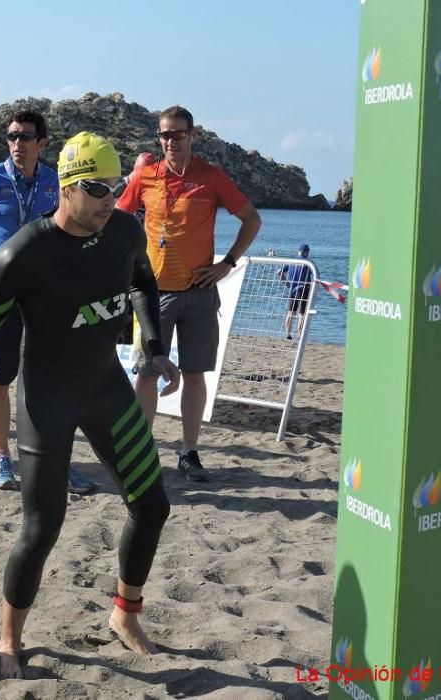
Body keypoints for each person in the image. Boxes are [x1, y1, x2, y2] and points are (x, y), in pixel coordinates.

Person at [0, 132, 181, 679]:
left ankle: (124, 616)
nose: (112, 199)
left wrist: (152, 349)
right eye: (99, 188)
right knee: (44, 524)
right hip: (47, 397)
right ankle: (9, 637)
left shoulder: (124, 230)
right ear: (67, 187)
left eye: (118, 186)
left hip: (105, 387)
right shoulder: (20, 255)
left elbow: (144, 286)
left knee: (152, 506)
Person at [0, 110, 95, 493]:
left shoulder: (55, 181)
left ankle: (56, 461)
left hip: (47, 295)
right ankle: (1, 458)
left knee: (51, 381)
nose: (17, 144)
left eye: (26, 137)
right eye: (12, 136)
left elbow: (74, 232)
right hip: (1, 292)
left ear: (42, 143)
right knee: (0, 378)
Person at [117, 105, 261, 482]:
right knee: (147, 374)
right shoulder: (145, 176)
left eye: (177, 135)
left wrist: (227, 264)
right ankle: (142, 450)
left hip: (199, 292)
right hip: (152, 294)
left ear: (192, 136)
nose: (170, 142)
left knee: (196, 375)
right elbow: (116, 220)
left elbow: (251, 219)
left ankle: (189, 452)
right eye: (164, 135)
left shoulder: (211, 178)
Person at [279, 243, 313, 340]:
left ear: (298, 252)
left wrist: (286, 283)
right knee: (302, 314)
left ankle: (288, 334)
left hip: (292, 289)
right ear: (306, 252)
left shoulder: (291, 261)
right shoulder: (308, 263)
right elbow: (312, 276)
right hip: (303, 289)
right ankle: (300, 335)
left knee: (290, 313)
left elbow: (279, 272)